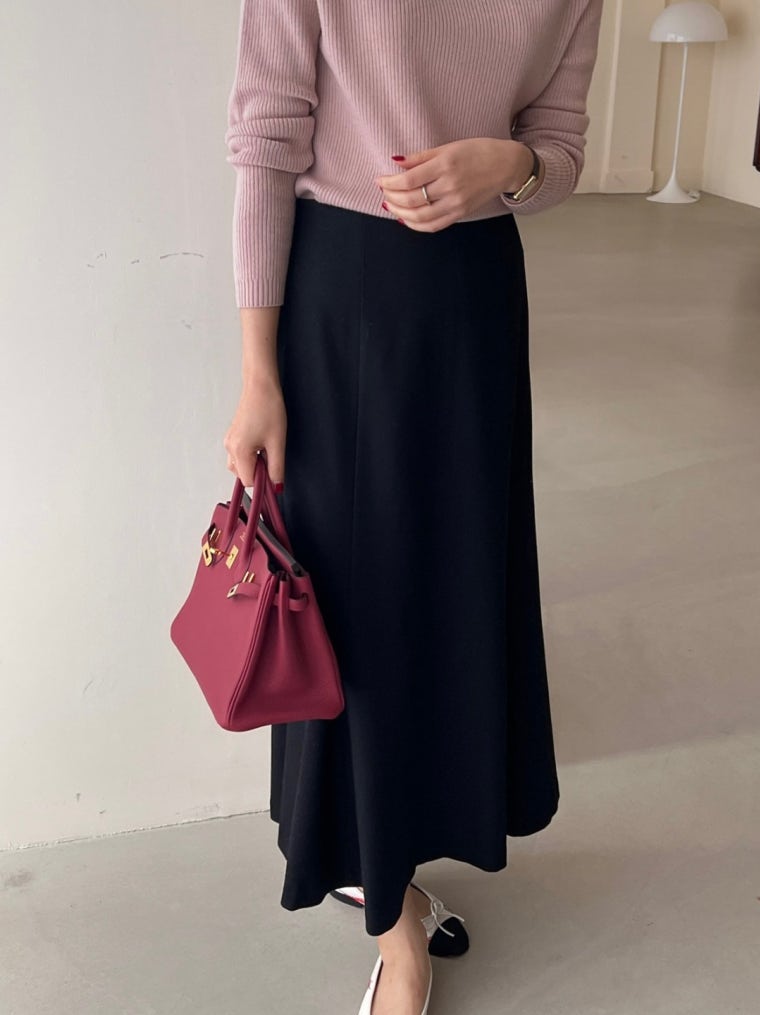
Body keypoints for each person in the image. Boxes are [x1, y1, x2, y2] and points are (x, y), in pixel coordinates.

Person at [221, 1, 604, 1012]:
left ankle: (388, 852)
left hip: (473, 302)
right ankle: (391, 921)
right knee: (349, 615)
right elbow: (266, 137)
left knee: (454, 594)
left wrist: (510, 166)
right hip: (337, 298)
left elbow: (561, 150)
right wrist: (257, 371)